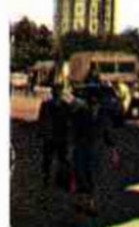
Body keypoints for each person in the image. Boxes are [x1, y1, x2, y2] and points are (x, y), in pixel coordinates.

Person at [68, 85, 119, 219]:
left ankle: (91, 204)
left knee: (93, 176)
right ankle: (80, 202)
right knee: (80, 175)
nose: (94, 103)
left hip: (96, 150)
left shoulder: (104, 116)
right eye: (91, 101)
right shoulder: (80, 113)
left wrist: (113, 150)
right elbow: (73, 132)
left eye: (96, 101)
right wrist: (71, 148)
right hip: (81, 149)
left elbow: (108, 133)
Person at [38, 82, 70, 186]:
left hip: (56, 136)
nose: (58, 93)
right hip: (54, 136)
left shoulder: (49, 104)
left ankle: (52, 178)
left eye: (59, 91)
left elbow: (41, 120)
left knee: (56, 158)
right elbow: (42, 120)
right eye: (57, 91)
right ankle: (48, 178)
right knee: (51, 158)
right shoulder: (62, 105)